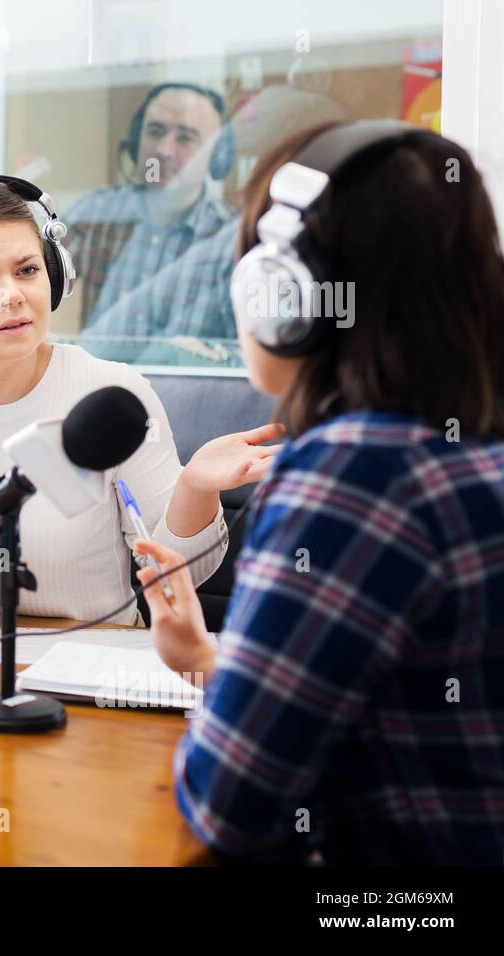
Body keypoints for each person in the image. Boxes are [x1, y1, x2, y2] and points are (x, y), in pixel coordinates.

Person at [136, 121, 504, 864]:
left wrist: (227, 694)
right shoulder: (466, 450)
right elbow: (401, 702)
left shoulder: (357, 474)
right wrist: (216, 663)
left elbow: (231, 804)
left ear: (284, 294)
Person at [0, 177, 282, 621]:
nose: (13, 296)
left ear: (55, 275)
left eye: (27, 270)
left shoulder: (109, 393)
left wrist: (195, 488)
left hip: (90, 669)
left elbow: (173, 573)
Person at [64, 83, 234, 341]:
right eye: (155, 131)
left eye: (185, 138)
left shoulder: (229, 240)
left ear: (217, 155)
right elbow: (31, 276)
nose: (164, 150)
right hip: (101, 380)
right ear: (136, 141)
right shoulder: (97, 211)